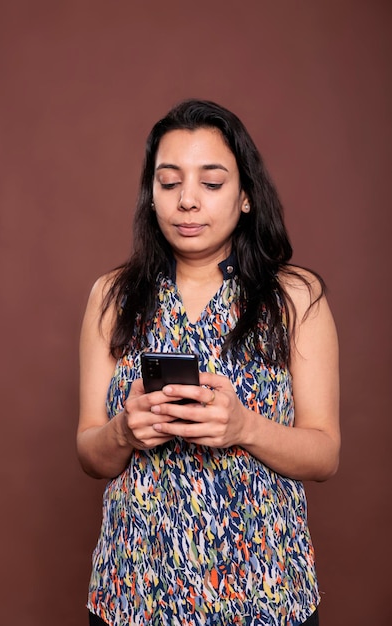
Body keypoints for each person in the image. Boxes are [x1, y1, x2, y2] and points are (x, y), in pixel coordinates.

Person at [77, 99, 340, 626]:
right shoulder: (112, 296)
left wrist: (244, 426)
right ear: (150, 197)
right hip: (134, 593)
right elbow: (90, 453)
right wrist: (125, 432)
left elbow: (325, 455)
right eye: (169, 183)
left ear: (245, 197)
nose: (188, 201)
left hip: (264, 593)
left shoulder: (295, 296)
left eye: (211, 183)